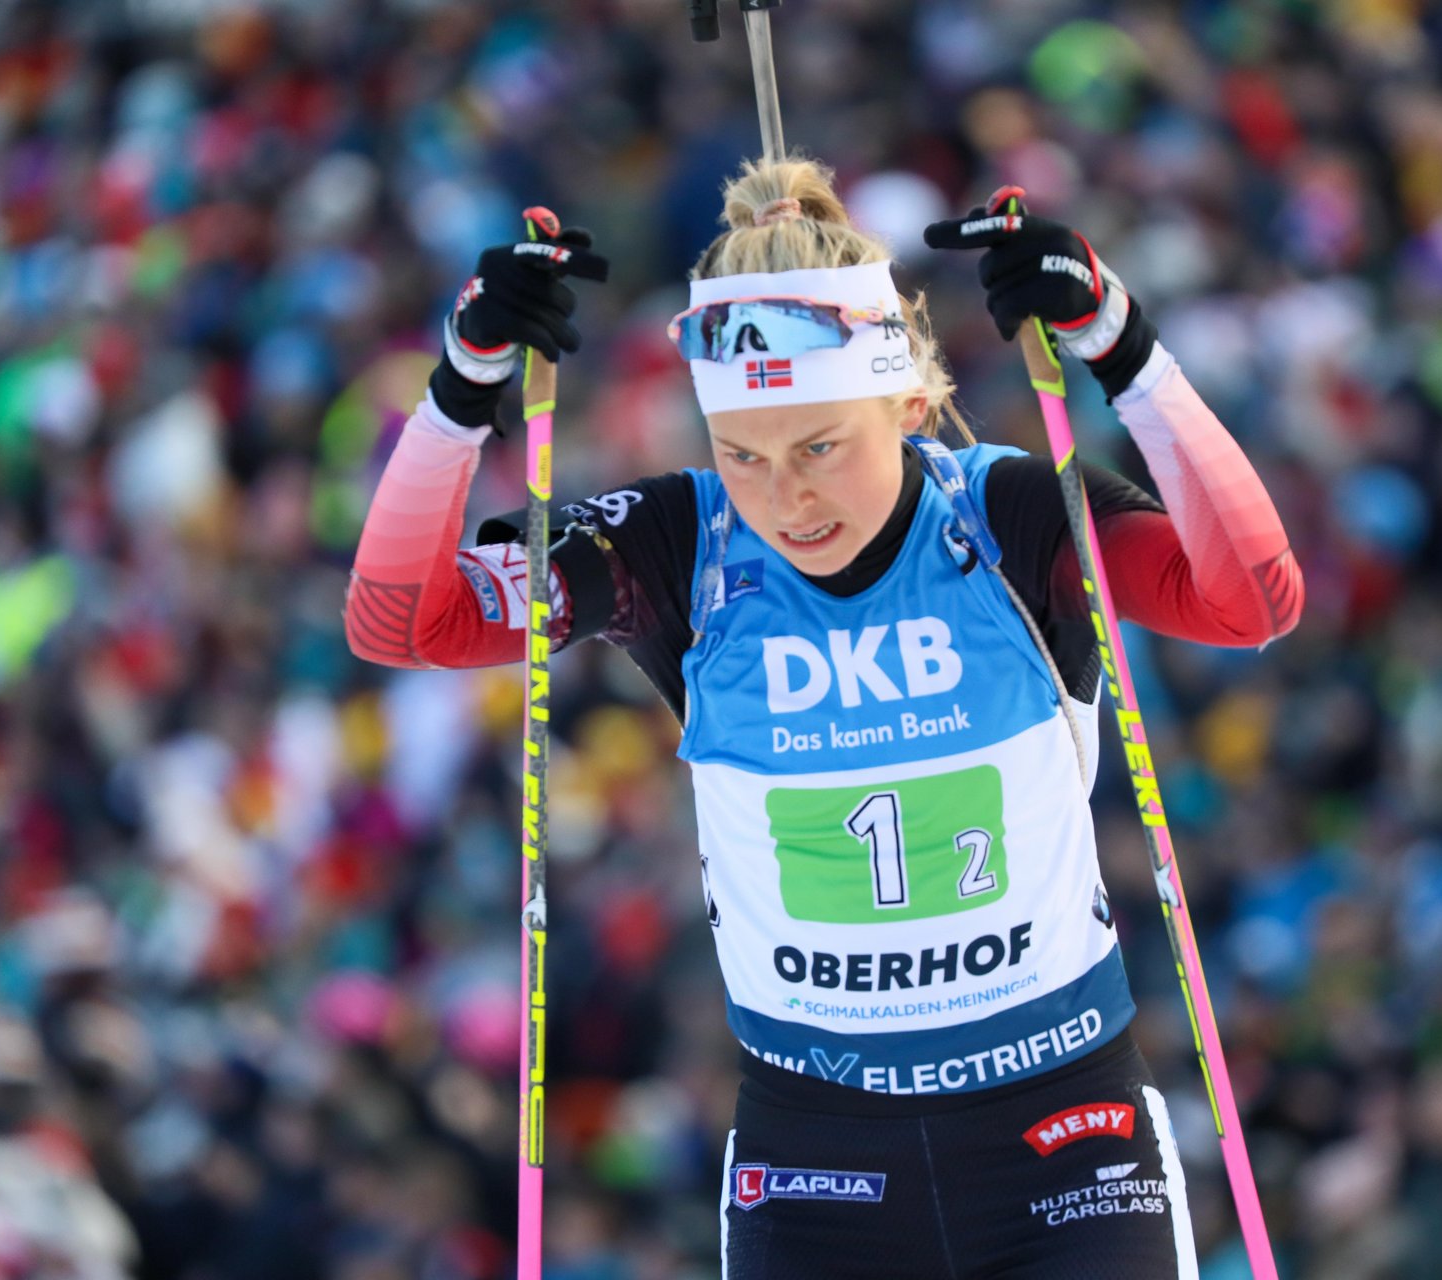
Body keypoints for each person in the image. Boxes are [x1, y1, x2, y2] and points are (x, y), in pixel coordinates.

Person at [346, 157, 1303, 1279]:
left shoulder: (1007, 516)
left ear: (908, 404)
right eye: (742, 454)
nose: (786, 499)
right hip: (819, 1165)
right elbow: (401, 621)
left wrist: (1121, 347)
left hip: (1062, 1134)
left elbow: (1252, 600)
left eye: (820, 447)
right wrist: (463, 385)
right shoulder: (679, 545)